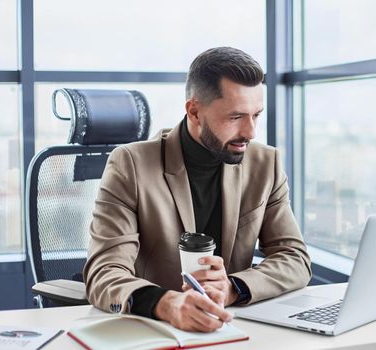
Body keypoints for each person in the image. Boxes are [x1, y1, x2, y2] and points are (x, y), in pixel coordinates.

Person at [84, 47, 311, 333]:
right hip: (156, 331)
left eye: (256, 115)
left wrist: (233, 287)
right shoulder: (131, 164)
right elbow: (104, 273)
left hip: (229, 328)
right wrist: (167, 304)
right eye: (236, 117)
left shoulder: (266, 164)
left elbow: (294, 258)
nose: (250, 132)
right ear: (194, 111)